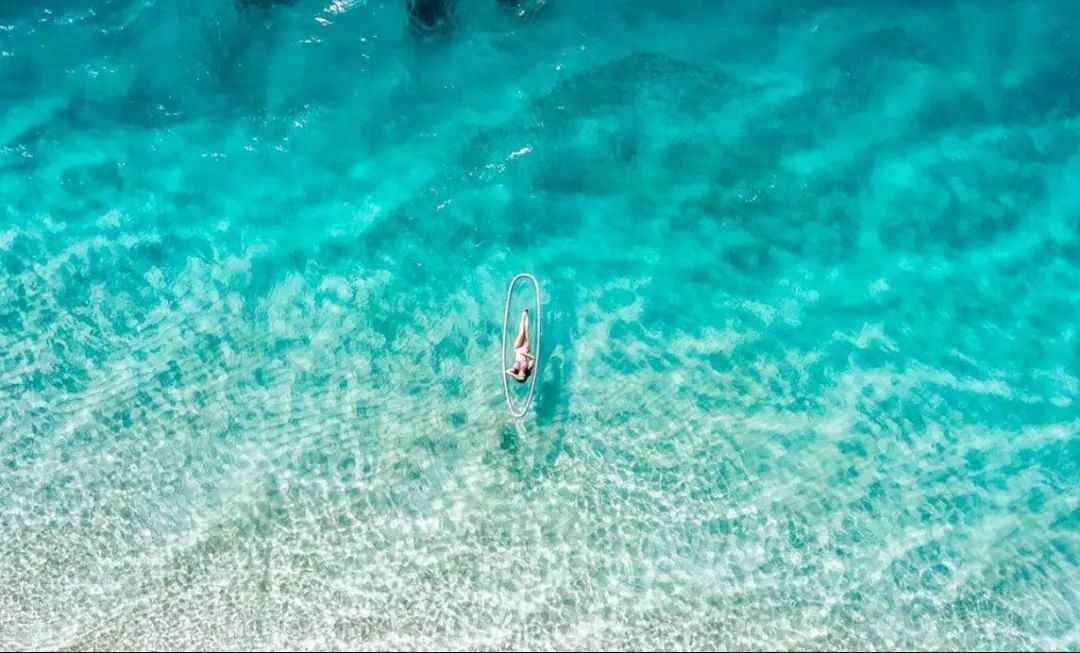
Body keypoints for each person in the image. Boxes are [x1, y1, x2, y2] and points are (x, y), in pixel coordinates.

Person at [505, 309, 535, 383]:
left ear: (518, 375)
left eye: (521, 376)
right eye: (524, 377)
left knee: (521, 333)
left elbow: (506, 371)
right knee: (526, 331)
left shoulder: (515, 370)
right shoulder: (528, 368)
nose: (523, 375)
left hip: (517, 348)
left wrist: (516, 376)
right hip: (525, 348)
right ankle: (526, 314)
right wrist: (525, 354)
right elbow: (533, 359)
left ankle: (523, 316)